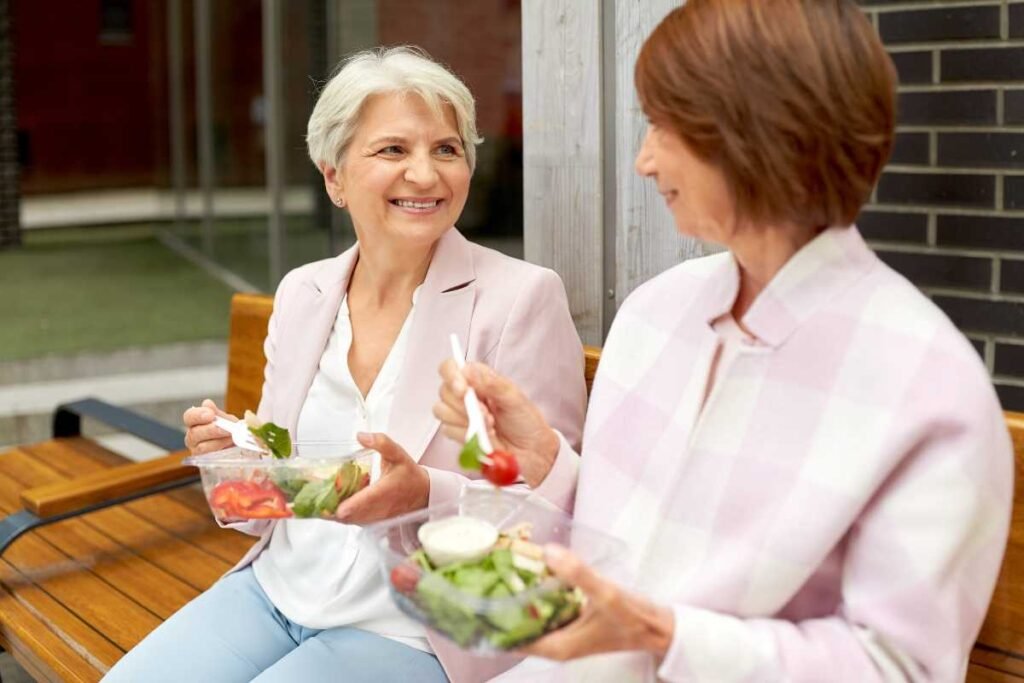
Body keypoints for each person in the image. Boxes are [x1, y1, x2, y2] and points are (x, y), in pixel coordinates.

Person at [435, 2, 1013, 680]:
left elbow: (898, 667)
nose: (645, 160)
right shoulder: (658, 311)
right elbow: (644, 542)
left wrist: (665, 634)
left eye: (663, 126)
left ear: (757, 133)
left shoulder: (928, 384)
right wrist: (545, 461)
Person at [104, 47, 587, 683]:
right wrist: (234, 454)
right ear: (333, 177)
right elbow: (276, 478)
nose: (426, 174)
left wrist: (426, 494)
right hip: (276, 591)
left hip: (416, 624)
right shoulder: (304, 293)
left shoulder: (519, 298)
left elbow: (557, 509)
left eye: (447, 149)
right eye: (393, 150)